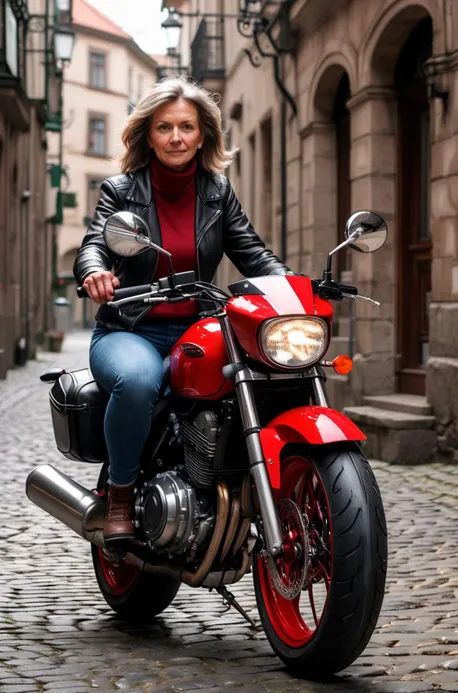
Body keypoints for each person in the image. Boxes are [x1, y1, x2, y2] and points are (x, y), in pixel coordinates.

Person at [73, 76, 293, 545]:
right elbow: (94, 244)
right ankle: (121, 493)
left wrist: (292, 286)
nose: (176, 138)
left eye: (187, 127)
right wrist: (95, 273)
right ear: (147, 135)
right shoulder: (121, 190)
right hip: (130, 329)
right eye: (164, 127)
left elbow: (252, 252)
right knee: (136, 381)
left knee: (261, 376)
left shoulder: (217, 191)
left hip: (199, 328)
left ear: (203, 135)